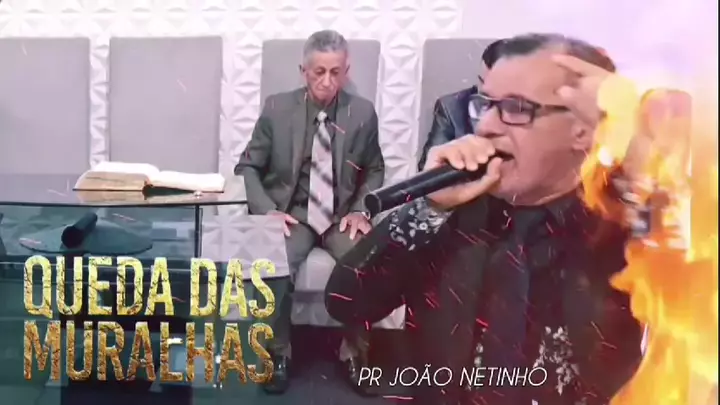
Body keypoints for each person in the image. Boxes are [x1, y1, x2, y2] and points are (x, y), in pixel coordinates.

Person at [325, 33, 649, 405]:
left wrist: (638, 146)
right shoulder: (450, 215)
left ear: (583, 129)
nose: (485, 127)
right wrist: (430, 207)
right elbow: (346, 301)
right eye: (485, 105)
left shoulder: (624, 226)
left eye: (517, 107)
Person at [235, 30, 384, 394]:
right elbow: (248, 166)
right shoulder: (276, 108)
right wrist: (267, 211)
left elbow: (375, 169)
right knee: (273, 262)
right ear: (303, 71)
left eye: (336, 72)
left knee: (368, 263)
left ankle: (355, 353)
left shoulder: (362, 113)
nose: (327, 81)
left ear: (346, 71)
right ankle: (278, 353)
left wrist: (362, 209)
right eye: (319, 72)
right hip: (293, 213)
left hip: (340, 215)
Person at [417, 39, 505, 171]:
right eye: (481, 81)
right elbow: (427, 171)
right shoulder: (452, 106)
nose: (484, 90)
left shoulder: (525, 111)